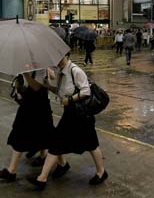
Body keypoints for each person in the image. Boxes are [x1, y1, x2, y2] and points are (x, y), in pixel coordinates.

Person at [29, 54, 107, 190]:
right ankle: (45, 176)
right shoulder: (61, 72)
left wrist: (70, 100)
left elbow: (86, 91)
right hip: (70, 114)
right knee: (57, 142)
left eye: (60, 57)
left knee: (91, 144)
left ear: (67, 55)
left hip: (81, 115)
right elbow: (61, 92)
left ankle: (101, 172)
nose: (57, 61)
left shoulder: (75, 71)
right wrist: (48, 86)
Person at [0, 71, 54, 182]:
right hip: (28, 105)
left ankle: (60, 163)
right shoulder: (28, 64)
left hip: (39, 107)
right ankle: (12, 170)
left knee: (46, 136)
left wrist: (27, 74)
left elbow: (37, 87)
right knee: (22, 133)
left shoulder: (40, 66)